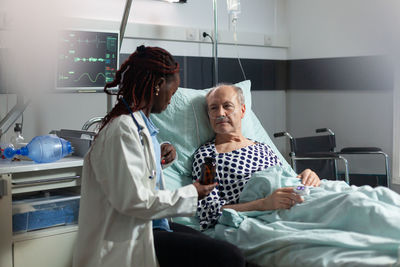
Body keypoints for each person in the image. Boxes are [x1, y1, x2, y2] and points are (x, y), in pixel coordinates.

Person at [73, 46, 246, 267]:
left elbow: (133, 175)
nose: (171, 100)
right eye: (172, 93)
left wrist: (158, 159)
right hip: (130, 237)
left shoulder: (139, 126)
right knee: (229, 258)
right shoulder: (122, 130)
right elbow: (135, 200)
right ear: (157, 86)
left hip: (154, 225)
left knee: (230, 252)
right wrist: (193, 192)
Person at [192, 83, 321, 230]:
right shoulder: (208, 157)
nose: (220, 113)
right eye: (213, 108)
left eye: (227, 106)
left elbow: (286, 179)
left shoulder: (263, 148)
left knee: (348, 199)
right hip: (268, 217)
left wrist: (306, 176)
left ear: (242, 110)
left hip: (300, 200)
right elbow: (208, 211)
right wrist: (264, 204)